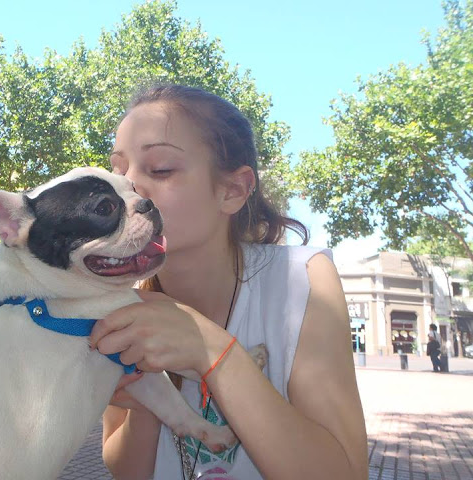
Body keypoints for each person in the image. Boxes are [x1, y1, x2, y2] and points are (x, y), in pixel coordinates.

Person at [89, 84, 368, 479]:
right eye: (117, 171)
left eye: (161, 169)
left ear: (233, 191)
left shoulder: (301, 280)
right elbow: (125, 469)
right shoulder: (118, 301)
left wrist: (210, 349)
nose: (126, 187)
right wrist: (151, 399)